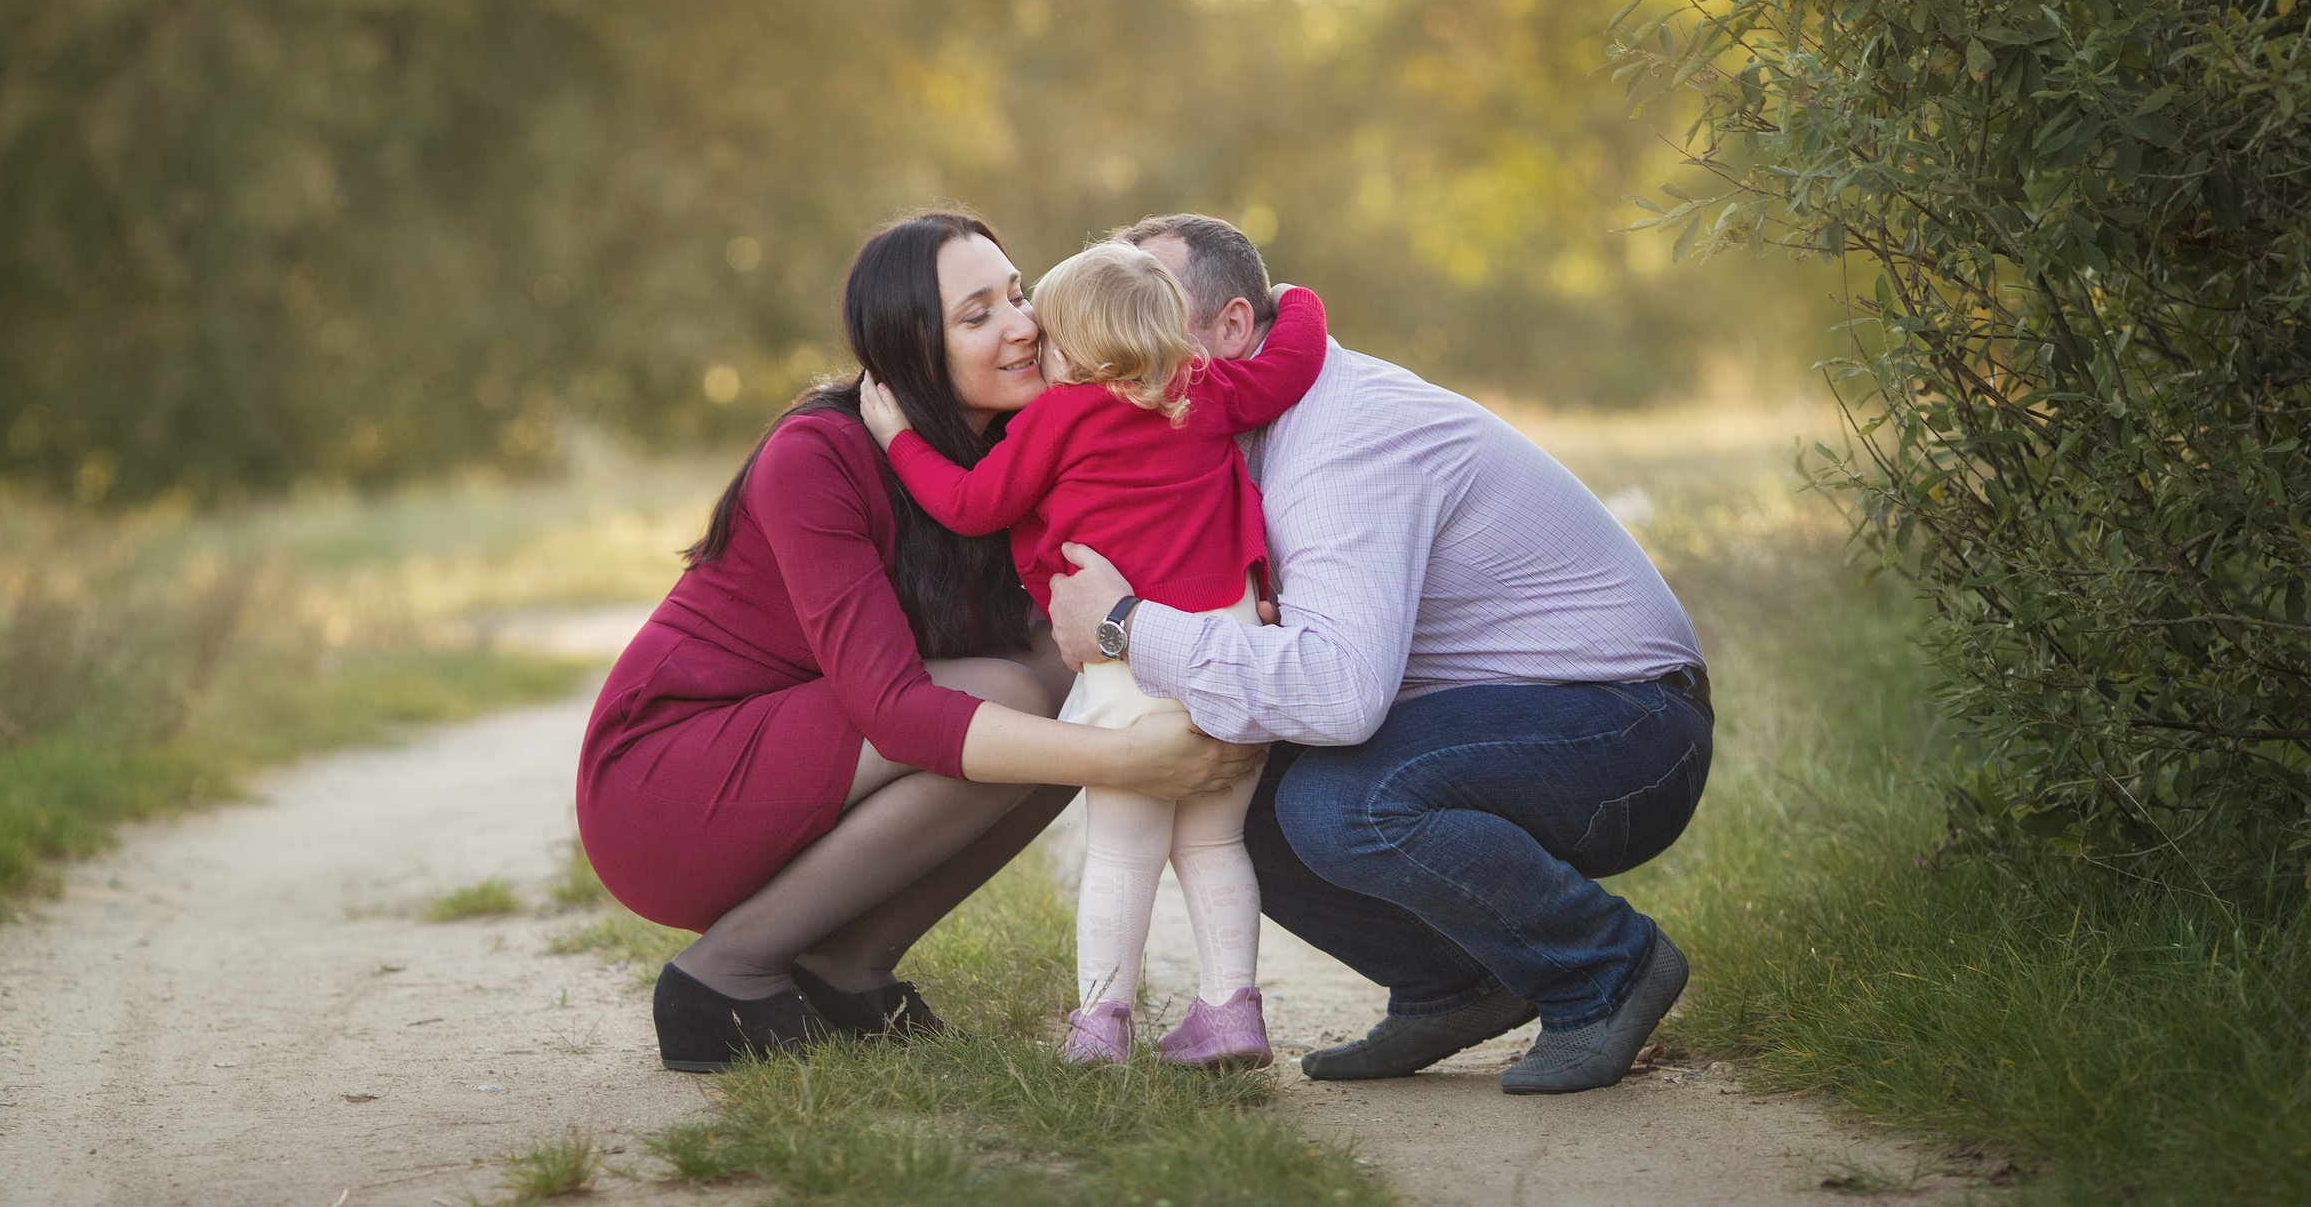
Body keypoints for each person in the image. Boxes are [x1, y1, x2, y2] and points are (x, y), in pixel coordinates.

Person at [576, 211, 1263, 1073]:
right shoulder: (816, 455)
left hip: (797, 753)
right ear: (912, 352)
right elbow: (898, 714)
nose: (1023, 323)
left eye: (1017, 293)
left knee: (1076, 675)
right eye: (977, 316)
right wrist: (1126, 761)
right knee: (1029, 711)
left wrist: (1230, 623)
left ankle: (846, 962)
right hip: (667, 786)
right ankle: (725, 975)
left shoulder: (1022, 449)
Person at [1047, 213, 1713, 1096]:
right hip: (1516, 709)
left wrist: (1128, 623)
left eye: (1146, 310)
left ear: (1234, 328)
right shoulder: (1220, 437)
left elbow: (1342, 697)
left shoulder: (1340, 442)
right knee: (1224, 771)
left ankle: (1604, 966)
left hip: (1629, 726)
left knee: (1336, 801)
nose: (1111, 352)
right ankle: (1453, 980)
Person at [857, 241, 1328, 1069]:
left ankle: (1102, 1025)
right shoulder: (1202, 388)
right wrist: (1295, 297)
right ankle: (1232, 1012)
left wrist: (896, 436)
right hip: (1229, 656)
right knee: (1216, 847)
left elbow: (971, 504)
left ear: (1068, 352)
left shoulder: (1058, 415)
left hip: (1130, 670)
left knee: (1121, 854)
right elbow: (1291, 364)